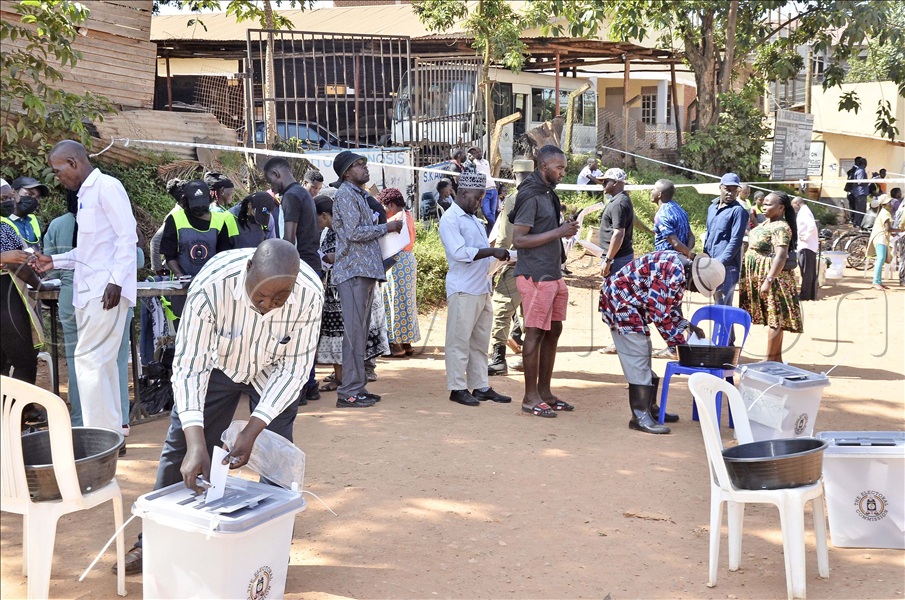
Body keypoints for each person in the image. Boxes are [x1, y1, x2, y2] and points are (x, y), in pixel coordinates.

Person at [118, 239, 324, 574]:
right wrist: (197, 443)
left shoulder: (310, 295)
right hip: (219, 364)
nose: (269, 306)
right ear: (248, 271)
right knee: (183, 445)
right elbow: (189, 368)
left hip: (274, 371)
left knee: (276, 454)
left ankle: (267, 548)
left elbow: (295, 370)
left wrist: (255, 430)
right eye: (260, 296)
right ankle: (154, 539)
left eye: (279, 299)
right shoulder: (211, 286)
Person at [37, 140, 137, 433]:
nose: (57, 178)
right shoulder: (84, 196)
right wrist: (51, 261)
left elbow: (127, 237)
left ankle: (98, 437)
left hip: (104, 293)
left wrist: (116, 282)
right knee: (100, 364)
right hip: (89, 292)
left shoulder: (107, 187)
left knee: (89, 362)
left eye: (58, 171)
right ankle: (113, 434)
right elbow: (87, 253)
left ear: (72, 163)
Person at [599, 252, 722, 434]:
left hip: (632, 303)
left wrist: (686, 325)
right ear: (694, 277)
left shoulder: (679, 270)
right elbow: (660, 315)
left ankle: (651, 408)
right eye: (697, 288)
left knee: (644, 349)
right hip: (621, 302)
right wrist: (680, 347)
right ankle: (640, 416)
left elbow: (668, 308)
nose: (695, 292)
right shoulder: (672, 273)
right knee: (637, 351)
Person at [510, 145, 580, 418]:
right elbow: (519, 240)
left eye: (564, 167)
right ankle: (529, 398)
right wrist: (559, 232)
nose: (563, 172)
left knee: (553, 330)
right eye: (559, 168)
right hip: (535, 275)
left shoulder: (547, 193)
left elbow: (546, 230)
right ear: (543, 168)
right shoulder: (531, 197)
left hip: (552, 273)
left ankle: (545, 393)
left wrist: (564, 229)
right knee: (535, 332)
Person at [331, 151, 403, 408]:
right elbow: (353, 232)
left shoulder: (359, 195)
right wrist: (387, 227)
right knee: (353, 335)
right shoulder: (345, 195)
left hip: (364, 271)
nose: (364, 168)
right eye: (358, 165)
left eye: (363, 163)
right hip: (352, 272)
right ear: (346, 173)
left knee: (359, 334)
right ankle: (348, 392)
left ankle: (357, 387)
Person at [439, 172, 511, 406]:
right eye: (478, 199)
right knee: (459, 341)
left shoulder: (472, 219)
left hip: (481, 288)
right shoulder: (451, 219)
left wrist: (508, 257)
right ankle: (457, 388)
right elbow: (460, 254)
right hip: (463, 290)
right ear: (463, 193)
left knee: (480, 342)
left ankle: (481, 386)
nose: (480, 203)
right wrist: (492, 252)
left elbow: (483, 257)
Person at [739, 191, 802, 363]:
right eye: (764, 203)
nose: (764, 206)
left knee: (775, 318)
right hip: (762, 275)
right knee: (771, 316)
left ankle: (770, 359)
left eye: (769, 204)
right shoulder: (766, 222)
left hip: (775, 279)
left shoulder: (781, 227)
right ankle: (776, 359)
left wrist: (768, 280)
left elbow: (781, 256)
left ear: (781, 207)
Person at [159, 180, 235, 319]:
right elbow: (169, 255)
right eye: (195, 204)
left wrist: (212, 278)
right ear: (186, 202)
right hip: (182, 288)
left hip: (211, 287)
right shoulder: (175, 219)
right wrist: (181, 276)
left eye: (202, 203)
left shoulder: (220, 220)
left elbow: (223, 255)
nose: (200, 208)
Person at [488, 159, 533, 376]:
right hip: (542, 265)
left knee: (502, 308)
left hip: (517, 263)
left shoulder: (515, 199)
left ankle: (498, 359)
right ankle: (530, 359)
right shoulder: (546, 196)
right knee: (531, 314)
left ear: (514, 176)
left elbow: (505, 237)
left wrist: (498, 264)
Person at [0, 180, 44, 391]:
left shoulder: (5, 226)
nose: (8, 202)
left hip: (8, 294)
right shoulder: (5, 230)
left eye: (9, 198)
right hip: (5, 297)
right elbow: (18, 266)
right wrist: (39, 285)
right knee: (24, 359)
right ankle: (21, 412)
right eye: (2, 199)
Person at [378, 187, 420, 358]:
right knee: (406, 301)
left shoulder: (396, 219)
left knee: (393, 301)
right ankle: (406, 343)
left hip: (395, 261)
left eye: (384, 206)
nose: (384, 211)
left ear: (392, 204)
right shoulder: (407, 215)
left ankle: (395, 345)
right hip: (407, 260)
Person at [263, 157, 321, 277]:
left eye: (271, 182)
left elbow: (289, 241)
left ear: (276, 174)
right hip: (312, 264)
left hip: (300, 267)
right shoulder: (302, 192)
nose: (272, 188)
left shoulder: (291, 196)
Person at [703, 173, 750, 319]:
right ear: (720, 188)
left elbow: (735, 241)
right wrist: (705, 260)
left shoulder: (738, 211)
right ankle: (727, 340)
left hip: (727, 267)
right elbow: (709, 234)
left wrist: (720, 263)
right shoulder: (712, 208)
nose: (730, 193)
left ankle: (726, 341)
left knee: (723, 307)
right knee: (718, 305)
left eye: (734, 190)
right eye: (727, 189)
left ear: (738, 191)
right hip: (711, 263)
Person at [651, 178, 695, 259]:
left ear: (659, 194)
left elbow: (675, 243)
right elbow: (691, 236)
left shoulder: (662, 215)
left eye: (653, 189)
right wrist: (687, 253)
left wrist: (689, 254)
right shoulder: (680, 210)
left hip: (667, 261)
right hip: (682, 260)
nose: (651, 191)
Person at [3, 177, 47, 250]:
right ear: (13, 193)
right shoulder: (2, 221)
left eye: (37, 198)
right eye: (29, 194)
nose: (33, 200)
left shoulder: (34, 221)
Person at [792, 196, 819, 301]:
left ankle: (805, 295)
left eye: (793, 205)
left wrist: (805, 237)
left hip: (806, 246)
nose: (793, 208)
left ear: (797, 203)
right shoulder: (805, 211)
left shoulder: (804, 212)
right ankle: (810, 294)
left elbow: (812, 226)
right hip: (808, 246)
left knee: (806, 272)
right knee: (809, 271)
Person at [869, 194, 898, 291]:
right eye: (890, 202)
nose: (891, 204)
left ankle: (879, 281)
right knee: (880, 260)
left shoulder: (884, 212)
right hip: (880, 239)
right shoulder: (885, 213)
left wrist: (894, 233)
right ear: (885, 204)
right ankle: (876, 282)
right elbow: (888, 228)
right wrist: (900, 230)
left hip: (882, 238)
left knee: (881, 260)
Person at [468, 147, 498, 235]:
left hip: (493, 188)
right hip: (485, 191)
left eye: (479, 151)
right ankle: (496, 227)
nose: (479, 153)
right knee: (486, 212)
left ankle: (490, 234)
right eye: (476, 152)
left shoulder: (486, 162)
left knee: (492, 213)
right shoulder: (473, 164)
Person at [851, 157, 869, 228]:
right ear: (864, 163)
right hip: (860, 192)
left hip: (860, 192)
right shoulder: (861, 171)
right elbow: (860, 181)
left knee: (861, 209)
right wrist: (868, 182)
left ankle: (858, 223)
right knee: (860, 209)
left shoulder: (860, 170)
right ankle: (857, 223)